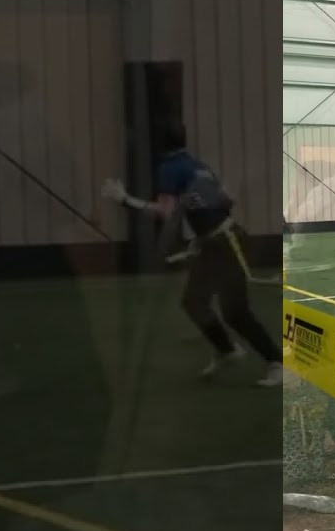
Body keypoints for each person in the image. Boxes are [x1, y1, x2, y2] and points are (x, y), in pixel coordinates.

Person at [101, 122, 283, 387]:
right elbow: (225, 201)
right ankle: (227, 350)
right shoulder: (197, 165)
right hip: (220, 240)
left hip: (224, 244)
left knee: (235, 311)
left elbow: (165, 213)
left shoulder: (169, 168)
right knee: (194, 302)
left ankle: (277, 362)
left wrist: (125, 200)